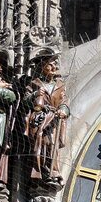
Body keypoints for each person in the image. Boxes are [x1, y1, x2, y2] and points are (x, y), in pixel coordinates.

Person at [24, 53, 70, 183]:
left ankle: (53, 171)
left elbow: (65, 101)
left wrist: (63, 110)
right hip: (39, 118)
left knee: (52, 144)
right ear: (43, 66)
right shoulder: (34, 83)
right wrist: (35, 94)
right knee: (41, 143)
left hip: (54, 118)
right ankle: (40, 171)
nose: (54, 66)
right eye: (51, 64)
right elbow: (25, 101)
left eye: (55, 64)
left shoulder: (60, 85)